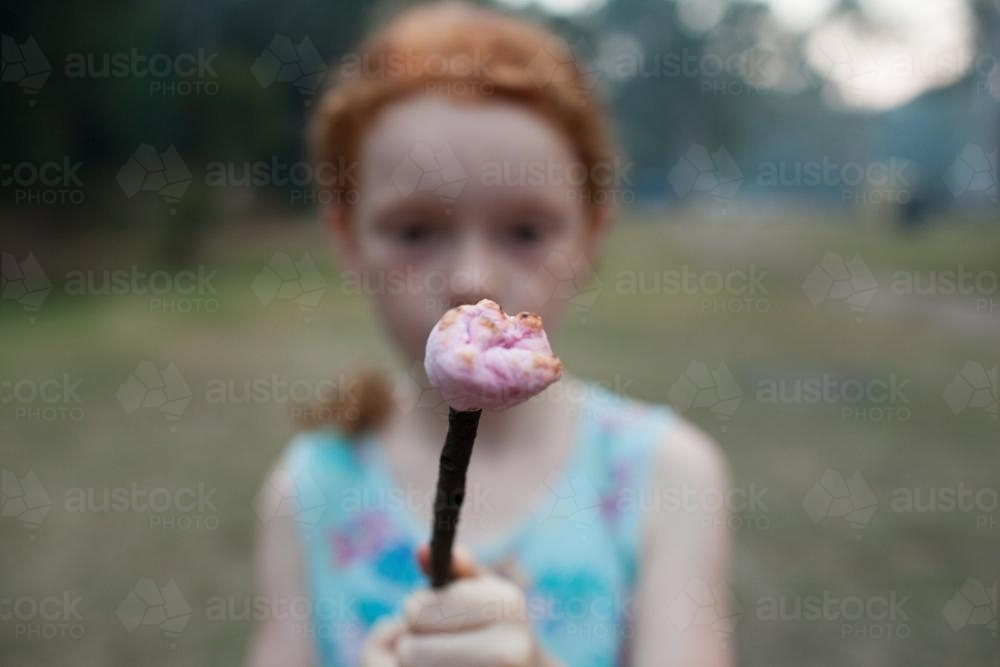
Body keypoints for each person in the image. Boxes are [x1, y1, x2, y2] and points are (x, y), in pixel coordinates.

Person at [248, 3, 732, 665]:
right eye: (416, 229)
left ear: (591, 235)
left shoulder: (668, 477)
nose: (472, 278)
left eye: (526, 231)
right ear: (348, 241)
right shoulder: (306, 492)